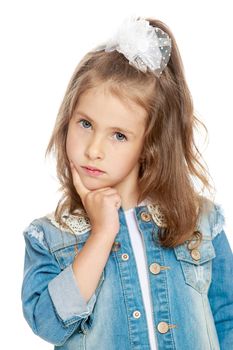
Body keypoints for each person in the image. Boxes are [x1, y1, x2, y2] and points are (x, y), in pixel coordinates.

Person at [21, 16, 233, 349]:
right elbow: (48, 323)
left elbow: (226, 318)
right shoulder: (51, 237)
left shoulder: (199, 223)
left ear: (149, 144)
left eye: (118, 135)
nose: (94, 150)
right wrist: (103, 233)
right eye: (86, 124)